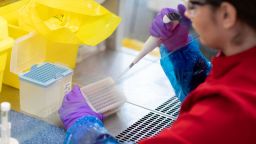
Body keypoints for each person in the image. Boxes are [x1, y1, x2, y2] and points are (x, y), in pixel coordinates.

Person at [59, 0, 256, 143]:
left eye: (194, 6)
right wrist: (179, 49)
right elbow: (213, 87)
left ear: (227, 15)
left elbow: (216, 109)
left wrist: (84, 127)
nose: (186, 14)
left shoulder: (231, 109)